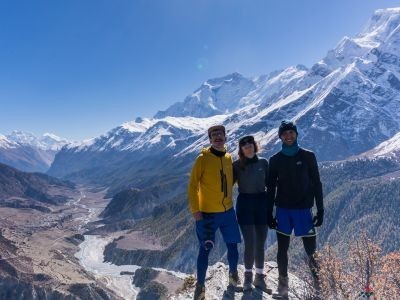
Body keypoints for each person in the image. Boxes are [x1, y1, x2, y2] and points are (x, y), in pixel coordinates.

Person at [266, 121, 324, 299]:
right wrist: (269, 213)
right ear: (280, 137)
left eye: (291, 133)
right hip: (283, 210)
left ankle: (318, 289)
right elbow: (271, 188)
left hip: (303, 211)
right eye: (285, 134)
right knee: (282, 250)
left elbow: (317, 183)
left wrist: (320, 209)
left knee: (311, 251)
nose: (288, 136)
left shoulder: (308, 156)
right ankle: (283, 290)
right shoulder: (275, 160)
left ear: (296, 134)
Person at [188, 125, 242, 300]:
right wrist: (195, 210)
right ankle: (201, 286)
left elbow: (229, 182)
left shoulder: (228, 157)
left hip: (228, 211)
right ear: (210, 139)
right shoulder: (202, 159)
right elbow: (192, 185)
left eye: (220, 134)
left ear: (225, 138)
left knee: (233, 246)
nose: (218, 137)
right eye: (214, 135)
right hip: (207, 214)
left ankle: (233, 275)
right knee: (205, 249)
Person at [233, 135, 273, 294]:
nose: (248, 146)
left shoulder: (264, 163)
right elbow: (225, 183)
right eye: (244, 144)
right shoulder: (236, 166)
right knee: (250, 242)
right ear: (241, 149)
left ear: (255, 146)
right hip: (245, 205)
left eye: (250, 143)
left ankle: (260, 277)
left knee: (260, 242)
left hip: (262, 203)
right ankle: (248, 278)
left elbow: (270, 186)